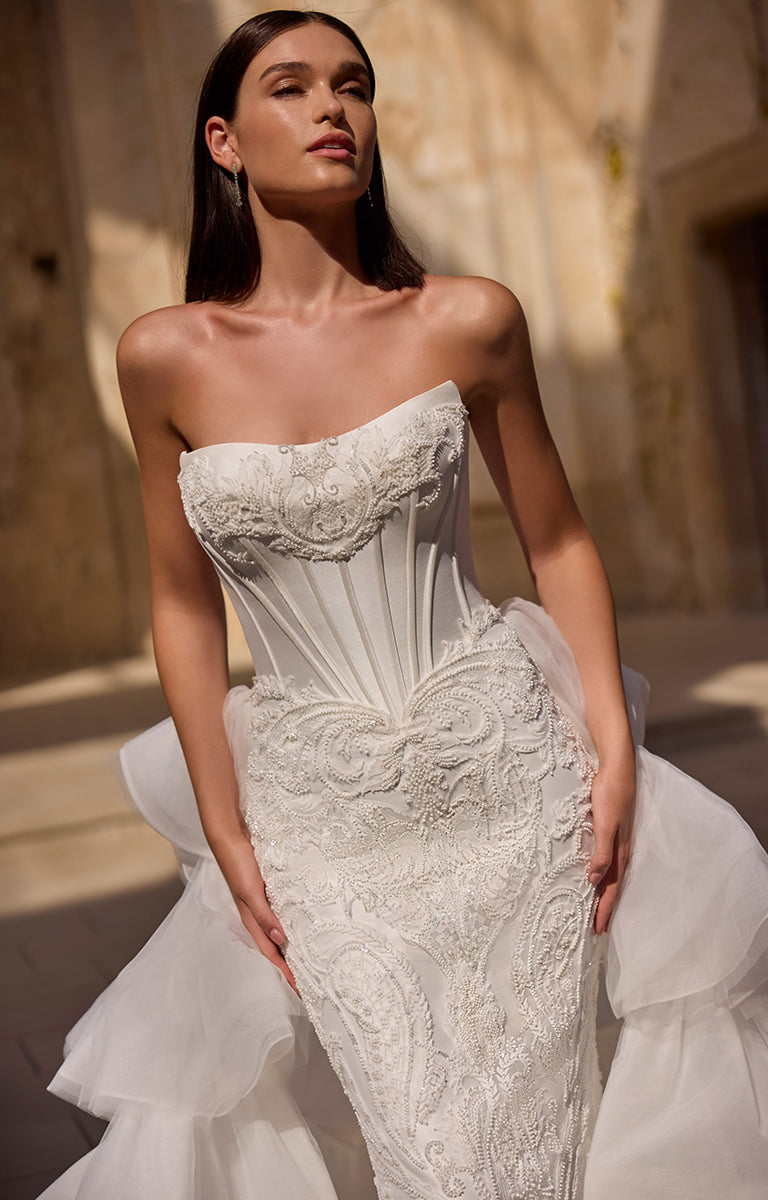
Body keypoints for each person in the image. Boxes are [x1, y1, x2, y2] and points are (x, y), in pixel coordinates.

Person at [39, 10, 768, 1200]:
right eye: (293, 87)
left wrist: (614, 745)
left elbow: (562, 540)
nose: (336, 108)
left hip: (504, 771)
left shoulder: (466, 319)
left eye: (355, 85)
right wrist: (224, 831)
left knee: (546, 1136)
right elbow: (180, 605)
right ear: (223, 140)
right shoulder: (163, 354)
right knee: (426, 1140)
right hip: (319, 811)